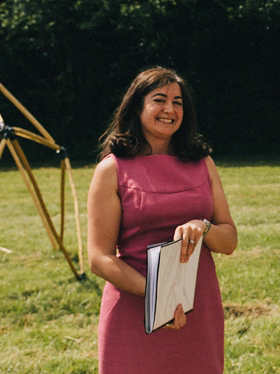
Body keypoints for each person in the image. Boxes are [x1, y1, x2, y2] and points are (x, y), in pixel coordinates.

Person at [87, 67, 237, 374]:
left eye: (178, 102)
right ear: (137, 107)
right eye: (159, 100)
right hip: (135, 307)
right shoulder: (112, 169)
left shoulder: (203, 163)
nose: (170, 109)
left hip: (197, 308)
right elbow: (98, 258)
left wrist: (203, 227)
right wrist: (158, 297)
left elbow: (229, 241)